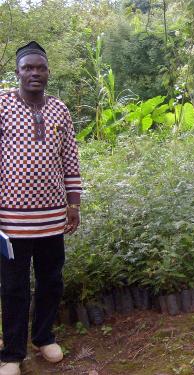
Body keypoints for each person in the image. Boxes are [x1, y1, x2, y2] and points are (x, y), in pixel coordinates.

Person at [0, 41, 82, 375]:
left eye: (40, 68)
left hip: (51, 219)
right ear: (18, 72)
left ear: (48, 72)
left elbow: (70, 158)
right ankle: (12, 354)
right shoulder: (2, 105)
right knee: (14, 288)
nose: (35, 73)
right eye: (28, 68)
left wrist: (73, 204)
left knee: (51, 280)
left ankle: (43, 337)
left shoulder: (59, 110)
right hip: (11, 220)